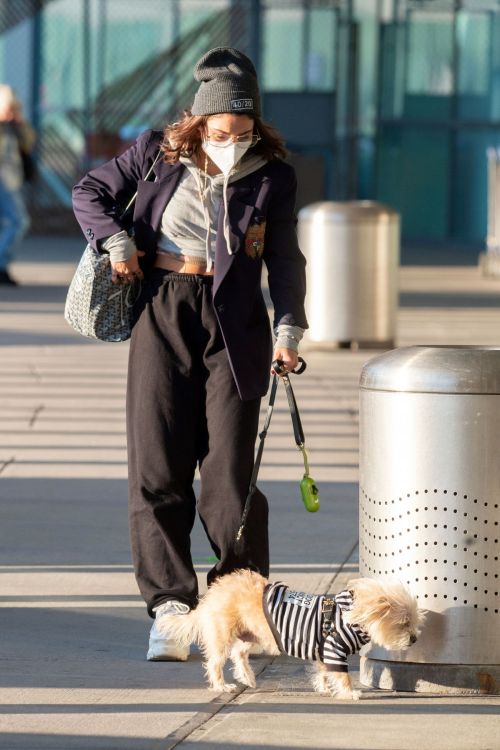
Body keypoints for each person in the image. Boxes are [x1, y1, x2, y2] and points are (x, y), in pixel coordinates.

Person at [72, 47, 308, 661]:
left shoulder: (272, 175)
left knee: (232, 476)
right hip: (162, 308)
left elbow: (284, 259)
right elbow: (90, 192)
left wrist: (288, 330)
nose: (234, 140)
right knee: (158, 466)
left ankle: (240, 605)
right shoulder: (157, 152)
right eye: (223, 131)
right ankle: (172, 611)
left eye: (246, 130)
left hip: (237, 325)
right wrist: (119, 241)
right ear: (200, 122)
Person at [0, 85, 34, 285]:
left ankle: (2, 265)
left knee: (14, 221)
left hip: (12, 178)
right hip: (4, 179)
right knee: (18, 220)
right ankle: (1, 264)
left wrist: (18, 123)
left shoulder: (15, 126)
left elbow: (29, 143)